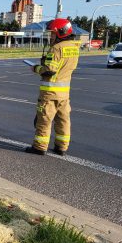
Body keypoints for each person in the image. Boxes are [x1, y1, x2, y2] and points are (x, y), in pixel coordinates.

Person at [25, 18, 79, 156]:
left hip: (50, 93)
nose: (51, 37)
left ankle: (39, 147)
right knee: (63, 121)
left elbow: (49, 70)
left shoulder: (56, 48)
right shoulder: (74, 47)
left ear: (61, 32)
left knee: (44, 120)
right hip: (64, 94)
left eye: (52, 34)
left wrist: (36, 68)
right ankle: (61, 147)